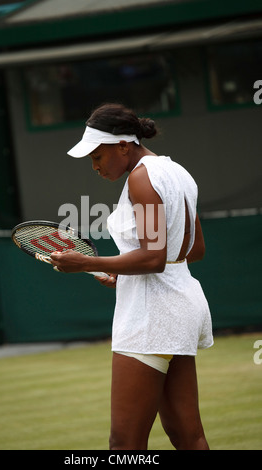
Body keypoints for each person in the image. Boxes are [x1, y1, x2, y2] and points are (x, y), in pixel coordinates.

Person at [51, 103, 213, 450]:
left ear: (123, 145)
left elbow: (153, 258)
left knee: (123, 443)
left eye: (98, 156)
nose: (94, 166)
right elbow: (193, 250)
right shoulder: (178, 172)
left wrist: (85, 264)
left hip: (152, 315)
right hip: (182, 308)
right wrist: (120, 273)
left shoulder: (142, 177)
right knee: (189, 436)